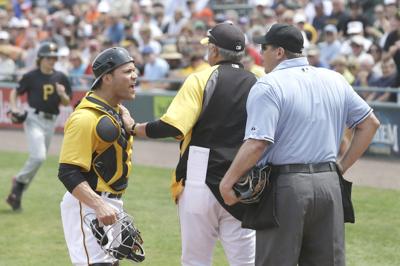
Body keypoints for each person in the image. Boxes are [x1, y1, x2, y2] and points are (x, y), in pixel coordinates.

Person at [219, 23, 380, 266]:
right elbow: (370, 124)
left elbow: (257, 143)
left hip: (286, 187)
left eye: (265, 47)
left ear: (279, 52)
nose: (261, 53)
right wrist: (341, 167)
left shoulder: (268, 84)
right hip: (329, 184)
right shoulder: (333, 78)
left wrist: (228, 182)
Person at [133, 22, 257, 265]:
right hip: (243, 178)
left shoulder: (200, 78)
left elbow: (172, 126)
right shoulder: (258, 82)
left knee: (195, 261)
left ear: (214, 50)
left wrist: (135, 128)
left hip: (201, 173)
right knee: (246, 262)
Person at [57, 47, 137, 266]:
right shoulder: (84, 117)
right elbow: (67, 172)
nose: (135, 76)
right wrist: (99, 205)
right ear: (108, 78)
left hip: (110, 204)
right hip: (87, 205)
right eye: (128, 71)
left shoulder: (115, 111)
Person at [6, 41, 72, 211]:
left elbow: (66, 102)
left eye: (54, 57)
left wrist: (62, 94)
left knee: (38, 161)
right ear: (41, 58)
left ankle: (16, 194)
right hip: (33, 118)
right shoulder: (31, 76)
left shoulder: (60, 77)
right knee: (39, 157)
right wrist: (14, 108)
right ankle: (19, 182)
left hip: (51, 121)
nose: (52, 60)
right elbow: (15, 91)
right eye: (49, 57)